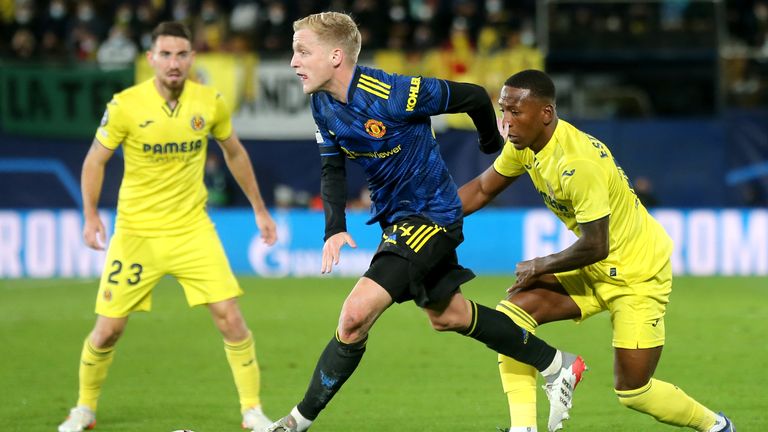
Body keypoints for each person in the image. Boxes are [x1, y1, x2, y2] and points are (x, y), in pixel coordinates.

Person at [266, 12, 586, 432]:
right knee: (448, 315)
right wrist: (334, 227)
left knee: (354, 316)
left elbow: (472, 95)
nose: (293, 61)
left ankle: (295, 422)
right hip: (397, 220)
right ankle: (557, 364)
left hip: (431, 214)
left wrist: (489, 141)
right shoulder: (322, 104)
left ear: (336, 56)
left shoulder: (395, 92)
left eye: (302, 51)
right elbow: (333, 168)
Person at [459, 69, 735, 432]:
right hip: (594, 267)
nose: (506, 123)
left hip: (638, 272)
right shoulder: (524, 146)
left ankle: (717, 426)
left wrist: (541, 264)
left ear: (545, 114)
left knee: (634, 391)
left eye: (515, 112)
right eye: (503, 111)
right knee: (510, 319)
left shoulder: (577, 163)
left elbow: (596, 244)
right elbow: (481, 189)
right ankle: (522, 428)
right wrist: (427, 216)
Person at [57, 21, 277, 432]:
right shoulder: (125, 105)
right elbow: (94, 160)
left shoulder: (209, 101)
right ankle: (84, 409)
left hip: (192, 230)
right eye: (166, 54)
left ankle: (252, 411)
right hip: (137, 234)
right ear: (151, 59)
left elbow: (235, 154)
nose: (173, 63)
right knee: (107, 331)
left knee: (230, 317)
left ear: (192, 58)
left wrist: (260, 210)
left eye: (181, 54)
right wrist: (90, 216)